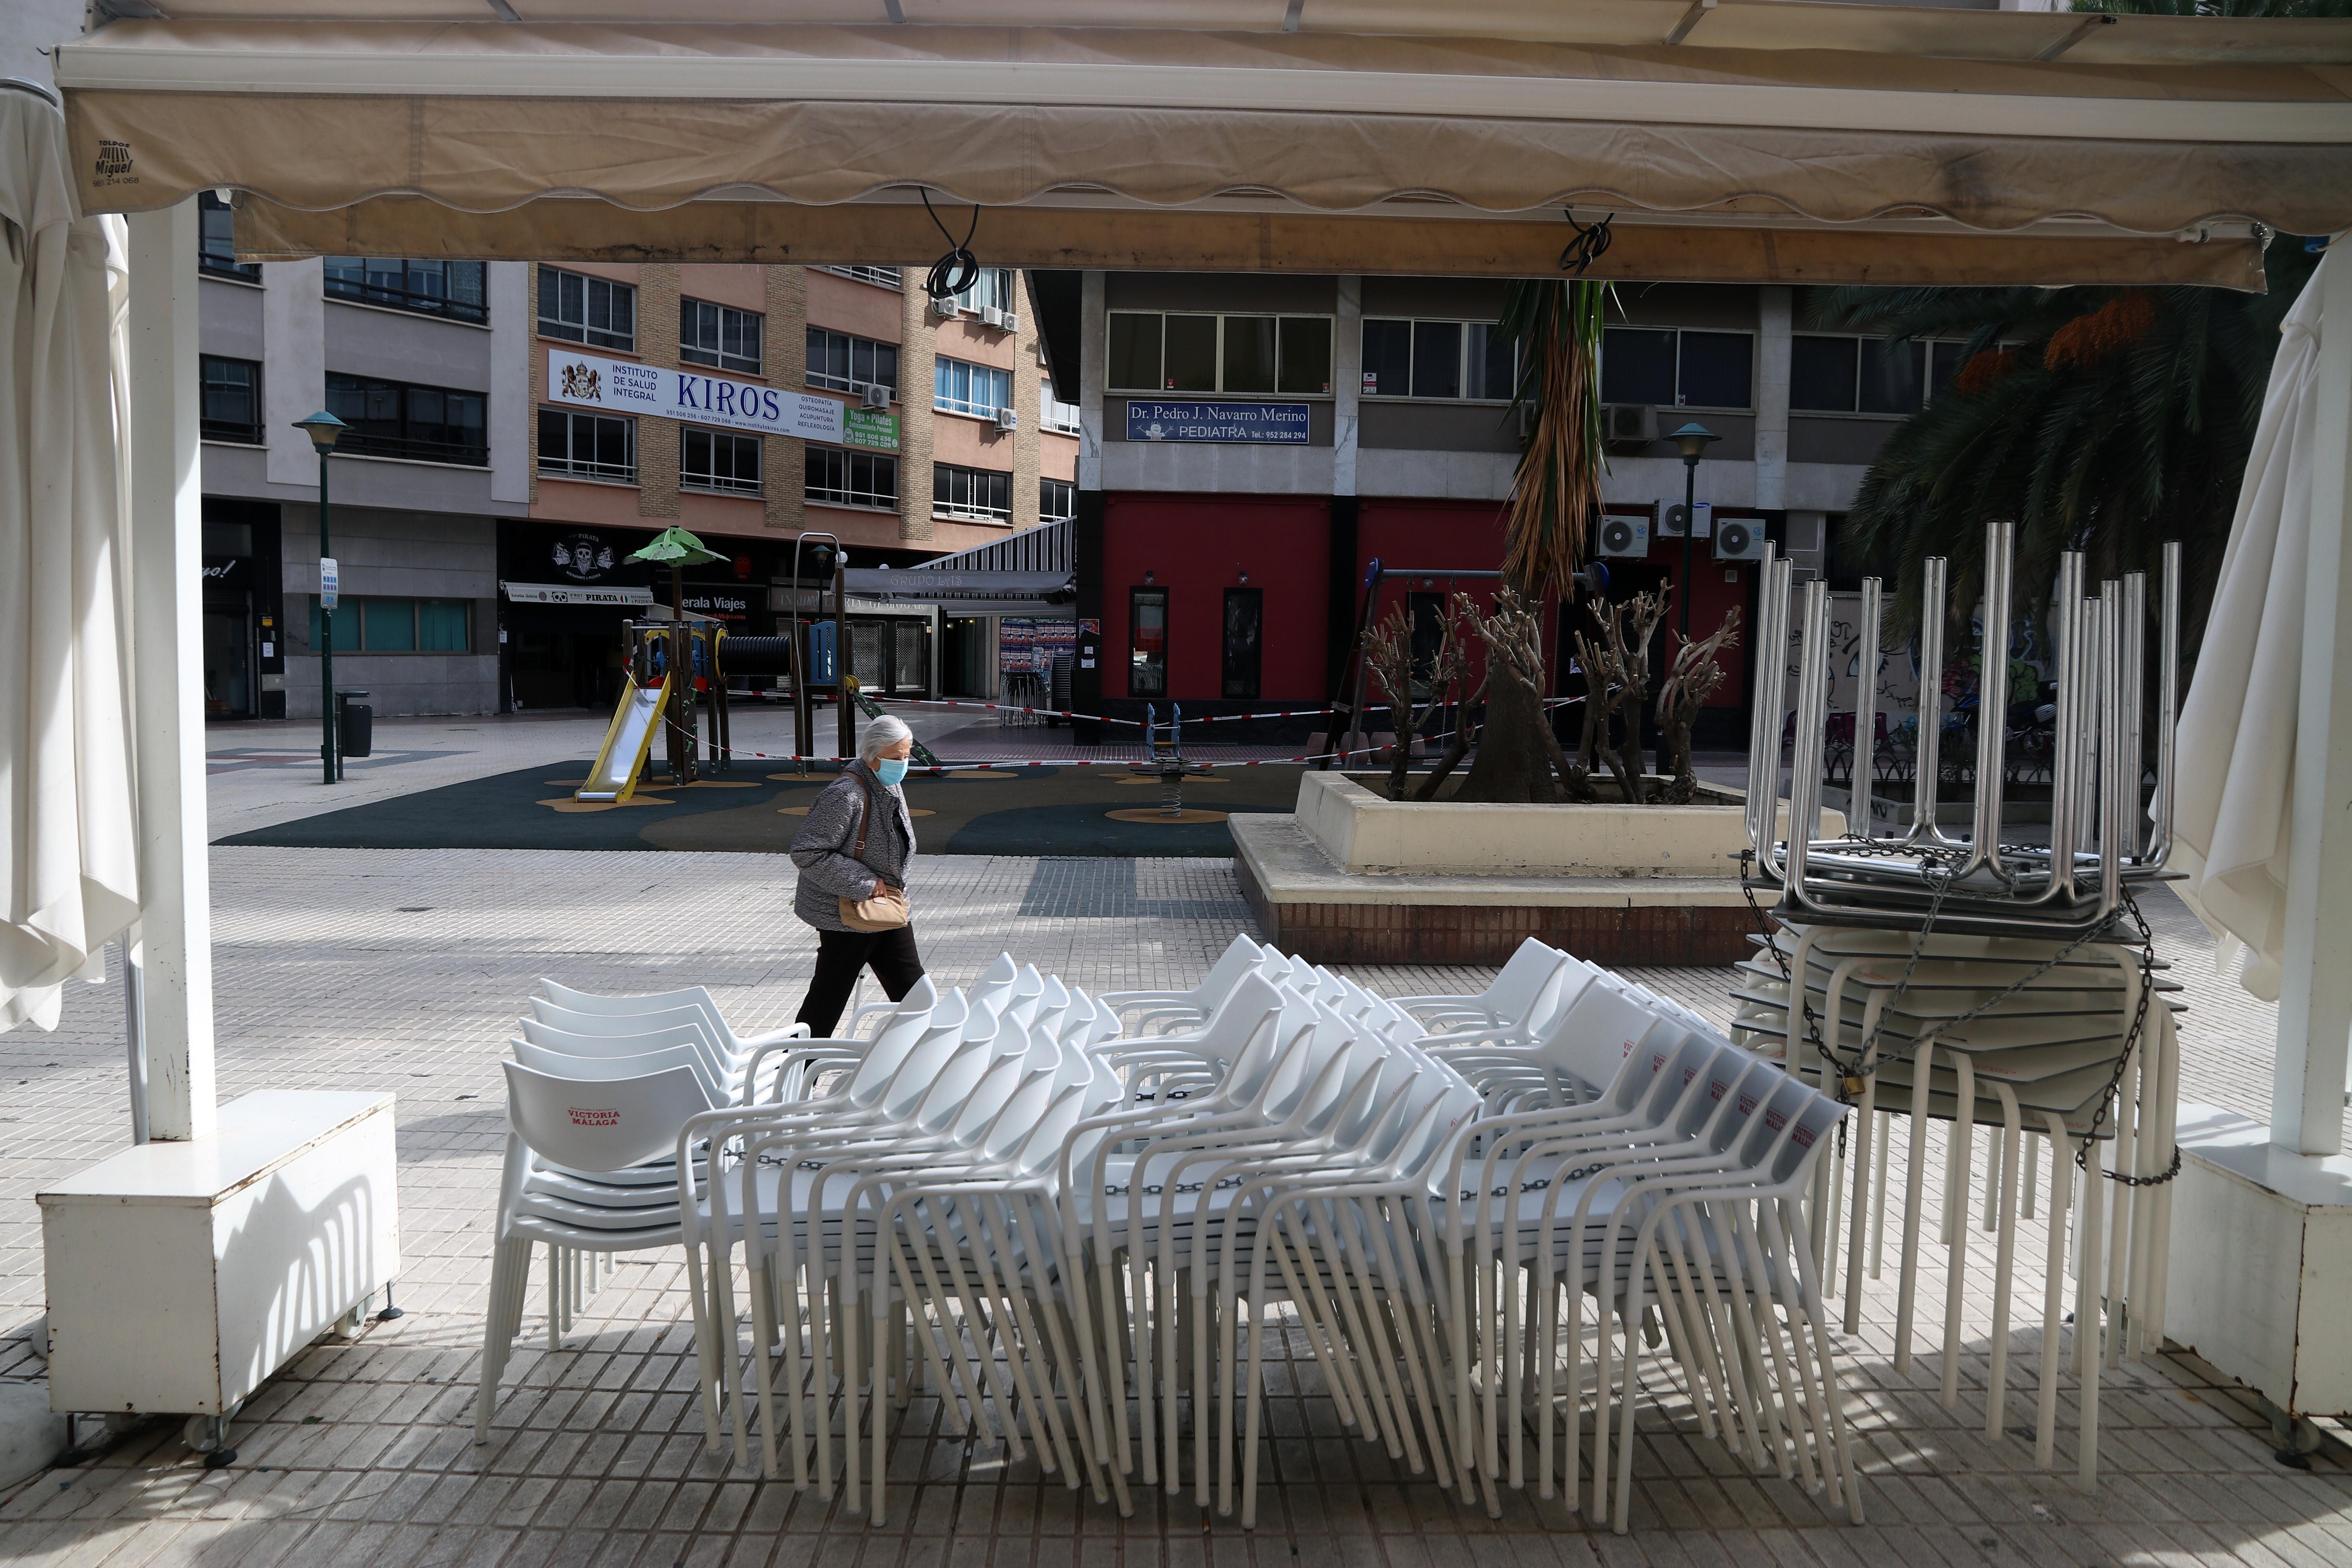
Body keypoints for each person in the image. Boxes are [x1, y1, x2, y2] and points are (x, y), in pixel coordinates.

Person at [789, 713, 926, 1037]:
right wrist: (867, 884)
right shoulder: (846, 794)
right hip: (845, 914)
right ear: (872, 756)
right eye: (896, 758)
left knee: (916, 995)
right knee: (826, 1003)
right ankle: (793, 1075)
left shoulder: (888, 783)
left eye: (907, 756)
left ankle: (931, 1065)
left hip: (884, 909)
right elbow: (807, 852)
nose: (903, 764)